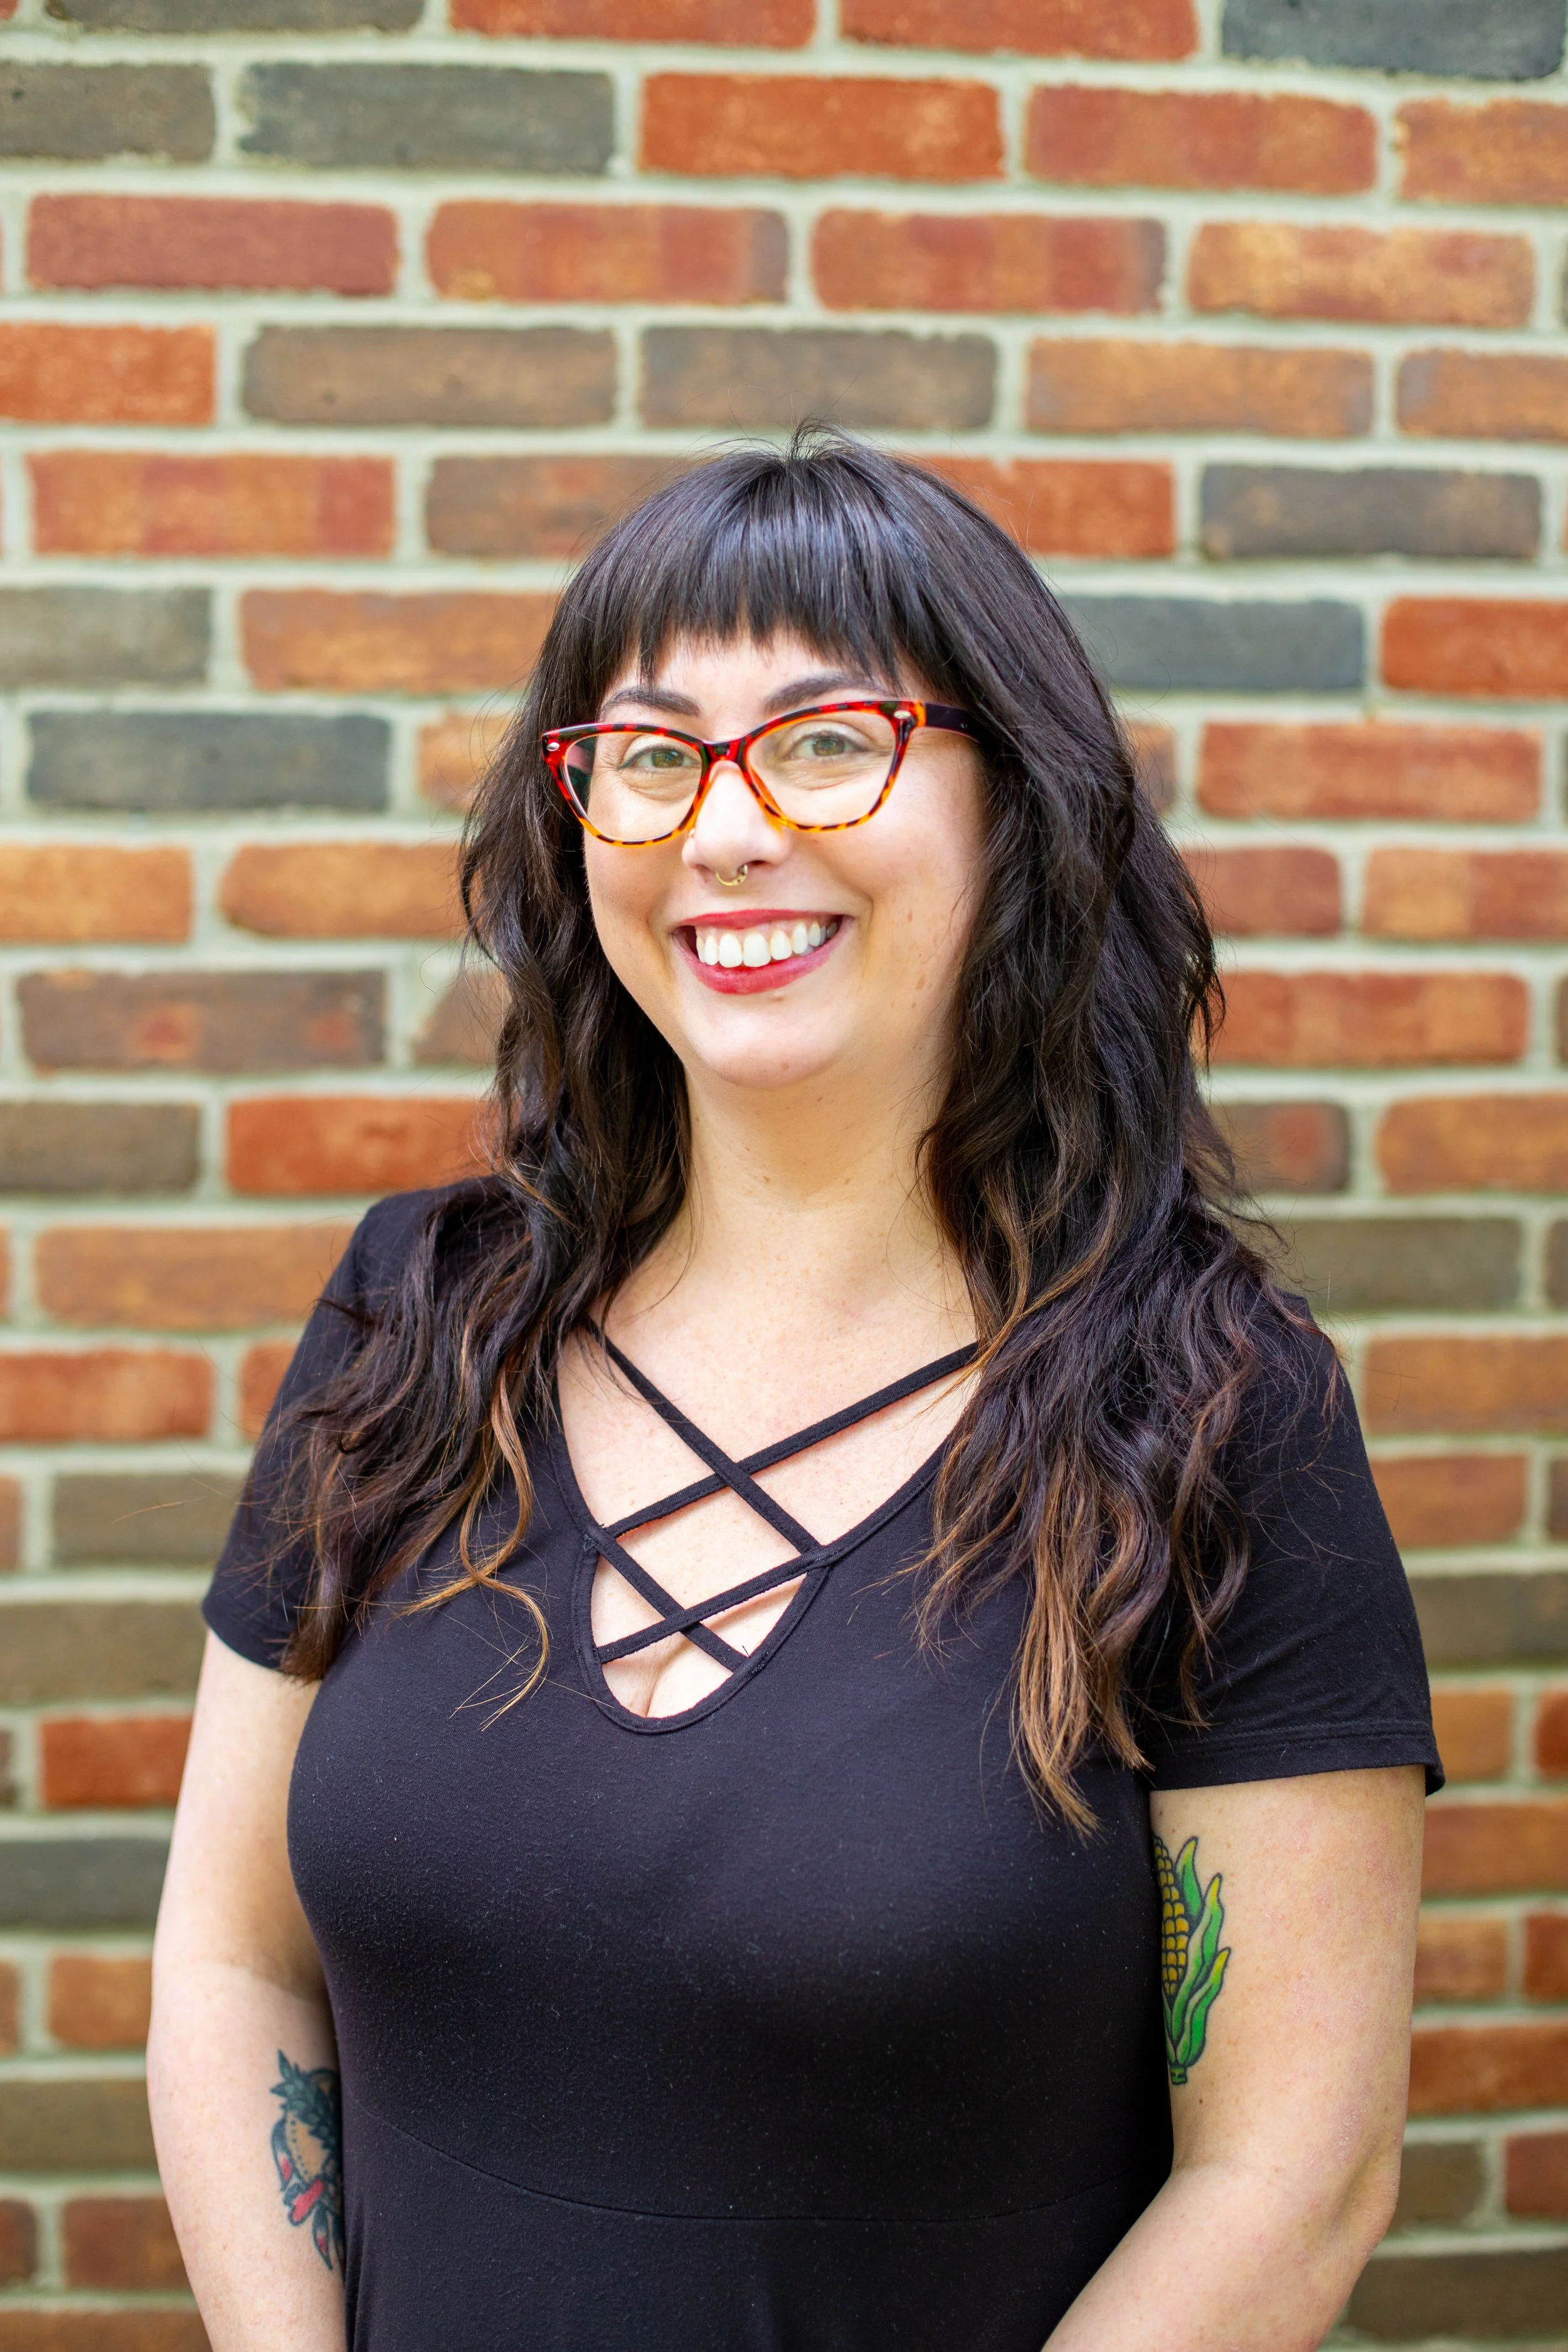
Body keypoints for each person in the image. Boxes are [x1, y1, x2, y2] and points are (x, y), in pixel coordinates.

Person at [149, 430, 1439, 2352]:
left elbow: (1290, 2177)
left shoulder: (1213, 1418)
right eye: (650, 754)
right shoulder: (417, 1321)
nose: (723, 828)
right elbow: (232, 1958)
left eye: (827, 739)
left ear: (1019, 799)